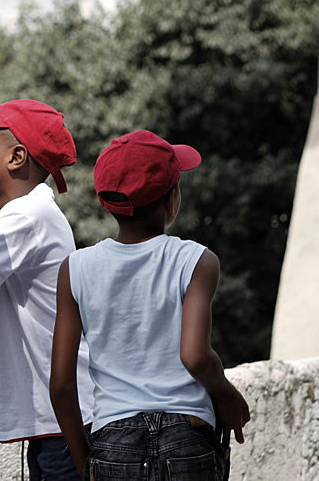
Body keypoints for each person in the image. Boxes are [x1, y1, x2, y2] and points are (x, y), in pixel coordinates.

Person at [49, 130, 251, 479]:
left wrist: (86, 464)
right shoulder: (197, 260)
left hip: (113, 440)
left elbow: (61, 386)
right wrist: (228, 394)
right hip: (188, 436)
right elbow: (195, 357)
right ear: (172, 199)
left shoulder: (75, 268)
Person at [0, 99, 96, 481]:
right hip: (58, 415)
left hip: (61, 418)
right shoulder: (20, 213)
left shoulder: (27, 216)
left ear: (16, 157)